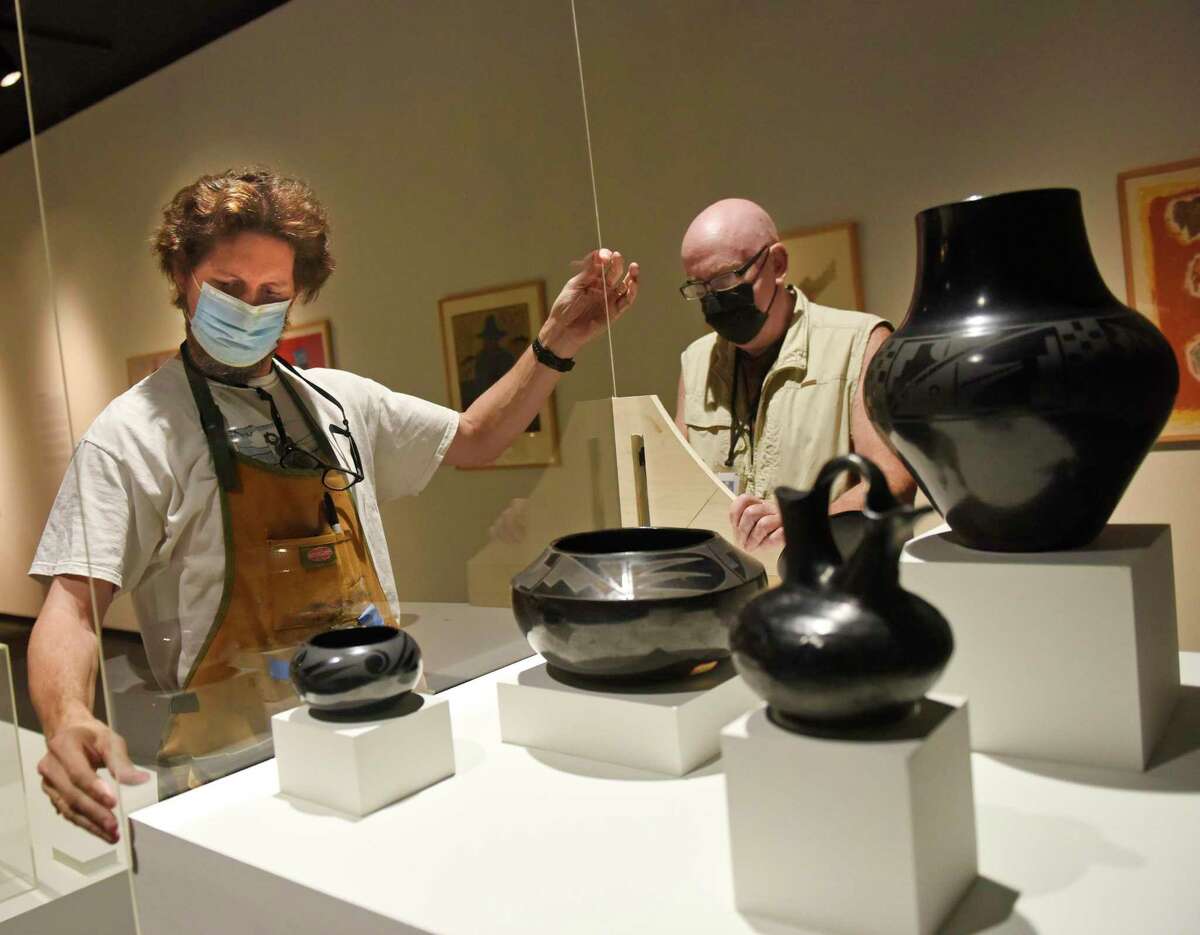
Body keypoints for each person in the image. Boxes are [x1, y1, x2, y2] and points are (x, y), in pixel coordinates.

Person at [27, 167, 639, 843]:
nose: (250, 308)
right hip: (239, 774)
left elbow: (474, 439)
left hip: (386, 729)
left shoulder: (337, 402)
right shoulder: (132, 434)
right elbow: (72, 606)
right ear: (182, 278)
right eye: (228, 290)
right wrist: (66, 718)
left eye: (272, 295)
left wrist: (557, 343)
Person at [674, 198, 914, 552]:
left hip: (831, 588)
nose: (713, 301)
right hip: (731, 591)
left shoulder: (859, 343)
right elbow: (680, 484)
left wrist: (806, 522)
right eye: (699, 287)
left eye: (726, 280)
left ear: (777, 263)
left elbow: (892, 483)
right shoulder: (696, 362)